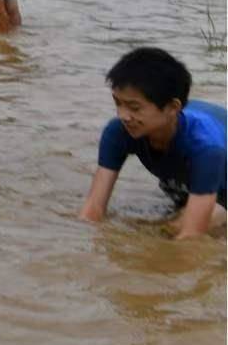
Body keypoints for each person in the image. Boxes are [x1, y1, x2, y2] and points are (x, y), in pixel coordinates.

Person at [78, 48, 225, 239]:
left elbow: (191, 237)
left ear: (173, 107)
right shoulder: (118, 132)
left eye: (134, 107)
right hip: (190, 188)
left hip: (220, 190)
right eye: (118, 103)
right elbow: (93, 209)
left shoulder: (206, 147)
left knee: (177, 230)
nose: (123, 115)